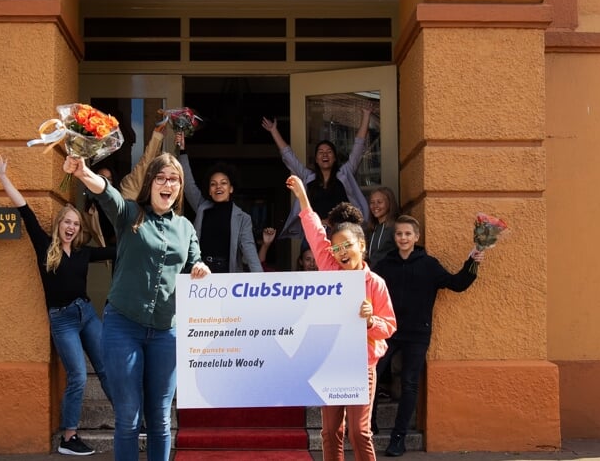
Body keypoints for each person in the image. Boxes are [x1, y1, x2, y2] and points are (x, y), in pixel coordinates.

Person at [66, 153, 211, 461]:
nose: (167, 184)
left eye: (174, 179)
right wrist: (82, 173)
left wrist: (200, 270)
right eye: (161, 178)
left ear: (180, 187)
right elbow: (107, 193)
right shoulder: (129, 213)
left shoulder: (185, 227)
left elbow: (197, 261)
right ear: (150, 183)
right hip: (123, 327)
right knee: (129, 418)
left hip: (165, 332)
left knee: (160, 420)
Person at [0, 155, 113, 457]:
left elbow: (117, 251)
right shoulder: (45, 247)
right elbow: (25, 211)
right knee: (79, 377)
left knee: (107, 369)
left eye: (75, 224)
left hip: (86, 314)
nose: (71, 227)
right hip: (63, 321)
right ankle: (68, 438)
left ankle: (130, 420)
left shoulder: (84, 253)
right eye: (67, 222)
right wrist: (4, 178)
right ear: (59, 225)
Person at [285, 176, 396, 461]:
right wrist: (303, 198)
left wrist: (371, 322)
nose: (340, 252)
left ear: (362, 245)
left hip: (362, 365)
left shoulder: (376, 284)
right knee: (330, 431)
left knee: (359, 433)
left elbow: (389, 327)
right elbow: (314, 233)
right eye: (335, 248)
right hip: (331, 362)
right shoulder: (329, 269)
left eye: (346, 245)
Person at [370, 215, 486, 457]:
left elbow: (457, 283)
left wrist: (473, 262)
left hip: (417, 333)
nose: (403, 238)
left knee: (410, 383)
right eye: (399, 234)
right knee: (372, 376)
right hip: (386, 331)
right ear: (395, 237)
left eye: (407, 234)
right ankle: (368, 426)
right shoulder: (384, 265)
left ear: (416, 237)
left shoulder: (428, 265)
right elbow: (365, 287)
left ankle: (398, 437)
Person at [262, 107, 373, 240]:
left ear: (335, 157)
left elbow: (358, 148)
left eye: (329, 151)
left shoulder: (345, 173)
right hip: (316, 234)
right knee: (310, 261)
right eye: (320, 152)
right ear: (316, 159)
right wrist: (273, 130)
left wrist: (366, 115)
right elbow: (289, 156)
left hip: (341, 234)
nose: (325, 154)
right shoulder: (308, 177)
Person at [176, 133, 271, 273]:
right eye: (213, 184)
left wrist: (261, 285)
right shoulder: (202, 207)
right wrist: (182, 151)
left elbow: (250, 253)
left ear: (231, 188)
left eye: (223, 183)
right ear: (209, 190)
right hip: (200, 272)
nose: (218, 187)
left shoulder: (243, 218)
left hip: (228, 276)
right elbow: (188, 185)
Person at [365, 187, 399, 265]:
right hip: (372, 275)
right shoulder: (371, 230)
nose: (375, 206)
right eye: (372, 202)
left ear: (389, 203)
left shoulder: (396, 228)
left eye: (379, 202)